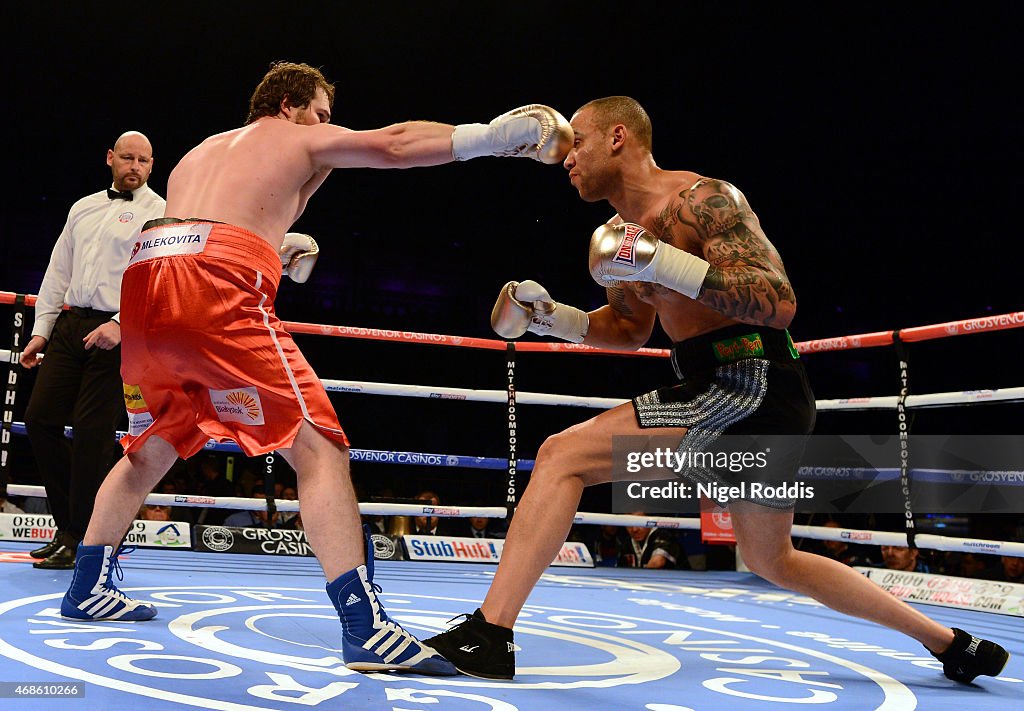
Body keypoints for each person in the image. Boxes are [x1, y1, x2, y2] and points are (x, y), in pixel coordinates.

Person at [424, 96, 1009, 684]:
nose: (563, 158)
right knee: (771, 558)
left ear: (618, 137)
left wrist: (664, 263)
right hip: (729, 388)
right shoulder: (610, 238)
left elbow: (778, 303)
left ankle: (490, 633)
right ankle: (952, 643)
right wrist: (553, 318)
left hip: (752, 378)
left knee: (560, 456)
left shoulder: (703, 200)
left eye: (576, 142)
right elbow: (629, 330)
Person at [57, 60, 571, 678]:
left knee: (154, 441)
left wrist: (276, 250)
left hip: (145, 286)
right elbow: (394, 145)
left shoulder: (199, 153)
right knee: (320, 449)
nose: (329, 127)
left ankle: (87, 585)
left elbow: (217, 221)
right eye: (323, 115)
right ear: (290, 105)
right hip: (213, 279)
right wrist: (492, 136)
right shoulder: (291, 133)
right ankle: (364, 627)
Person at [19, 132, 165, 569]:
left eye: (143, 160)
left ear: (152, 165)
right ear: (110, 158)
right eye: (127, 157)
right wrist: (41, 330)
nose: (134, 166)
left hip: (118, 329)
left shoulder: (158, 213)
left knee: (91, 435)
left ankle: (84, 540)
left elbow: (154, 277)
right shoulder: (82, 207)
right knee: (39, 420)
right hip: (69, 325)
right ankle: (70, 528)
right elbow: (56, 270)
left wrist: (121, 324)